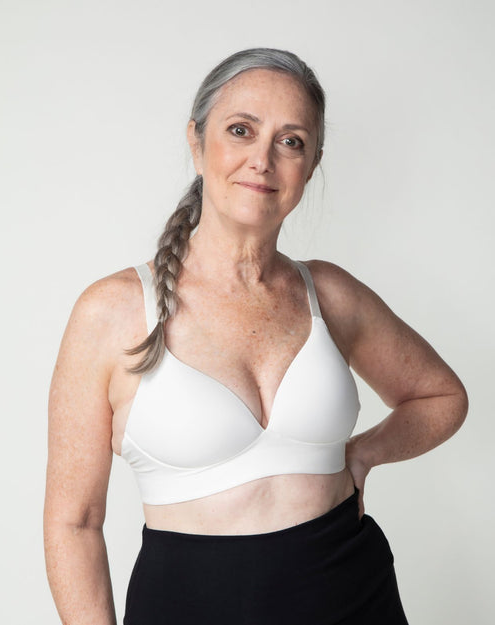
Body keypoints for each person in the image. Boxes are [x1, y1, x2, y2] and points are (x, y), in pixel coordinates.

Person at [43, 48, 468, 625]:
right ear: (197, 142)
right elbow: (74, 523)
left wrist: (364, 452)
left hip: (356, 599)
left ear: (311, 165)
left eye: (291, 141)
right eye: (241, 130)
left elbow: (442, 397)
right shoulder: (112, 311)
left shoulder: (328, 294)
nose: (262, 160)